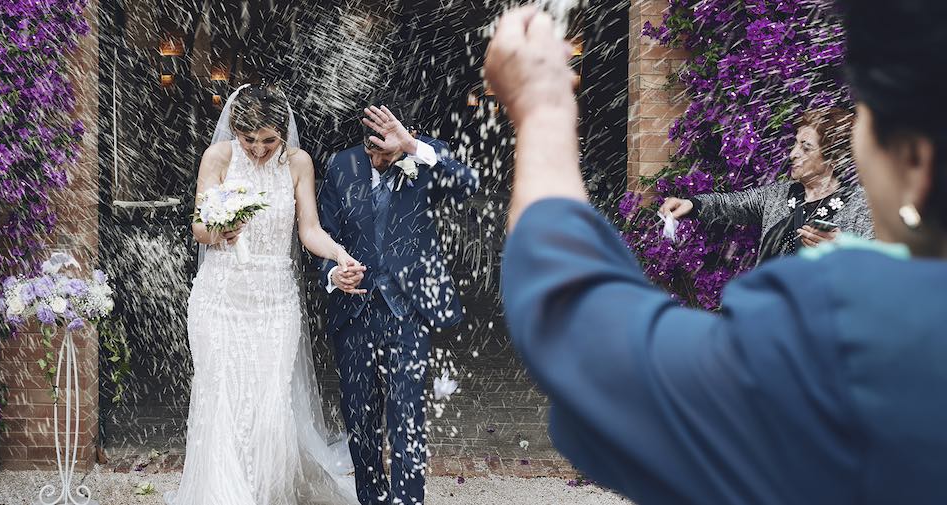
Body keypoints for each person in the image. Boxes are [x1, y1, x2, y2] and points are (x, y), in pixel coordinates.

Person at [489, 2, 947, 504]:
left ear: (914, 159)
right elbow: (737, 204)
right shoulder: (782, 199)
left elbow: (583, 342)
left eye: (865, 117)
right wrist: (697, 204)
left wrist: (543, 110)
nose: (794, 154)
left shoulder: (842, 331)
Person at [168, 83, 359, 505]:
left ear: (284, 131)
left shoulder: (298, 163)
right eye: (248, 139)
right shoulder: (217, 157)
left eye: (269, 140)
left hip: (275, 301)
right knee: (221, 397)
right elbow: (199, 226)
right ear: (234, 131)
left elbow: (309, 229)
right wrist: (219, 231)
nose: (257, 149)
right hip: (220, 298)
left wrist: (339, 254)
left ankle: (265, 492)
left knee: (270, 401)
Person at [317, 100, 479, 505]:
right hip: (354, 312)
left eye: (386, 152)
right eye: (371, 151)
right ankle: (371, 498)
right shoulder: (340, 166)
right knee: (360, 416)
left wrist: (409, 146)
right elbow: (322, 235)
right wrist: (333, 275)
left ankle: (409, 500)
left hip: (410, 311)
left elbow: (469, 183)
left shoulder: (423, 155)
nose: (378, 161)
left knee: (408, 413)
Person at [660, 108, 874, 264]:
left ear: (833, 159)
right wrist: (692, 204)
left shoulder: (861, 206)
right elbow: (730, 204)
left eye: (806, 147)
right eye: (795, 144)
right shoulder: (778, 195)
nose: (793, 154)